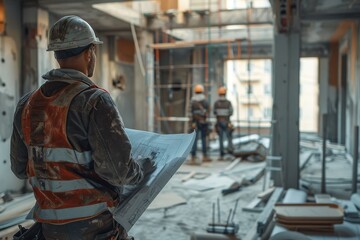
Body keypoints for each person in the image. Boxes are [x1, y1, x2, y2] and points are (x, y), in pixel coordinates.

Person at [10, 15, 154, 240]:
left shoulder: (27, 104)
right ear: (90, 53)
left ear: (57, 55)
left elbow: (19, 169)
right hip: (96, 228)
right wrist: (143, 169)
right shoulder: (94, 101)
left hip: (49, 230)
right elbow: (117, 172)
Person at [189, 84, 211, 164]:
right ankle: (205, 156)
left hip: (195, 122)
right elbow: (208, 111)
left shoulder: (192, 100)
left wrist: (191, 122)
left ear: (195, 91)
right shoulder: (205, 100)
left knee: (194, 139)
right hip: (203, 122)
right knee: (203, 139)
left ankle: (193, 157)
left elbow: (190, 112)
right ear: (202, 91)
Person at [213, 86, 234, 160]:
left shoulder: (216, 103)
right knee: (229, 138)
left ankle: (221, 154)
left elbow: (214, 112)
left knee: (221, 138)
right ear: (225, 94)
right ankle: (230, 153)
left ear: (219, 94)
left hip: (219, 123)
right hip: (227, 122)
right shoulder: (228, 103)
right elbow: (231, 112)